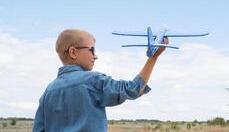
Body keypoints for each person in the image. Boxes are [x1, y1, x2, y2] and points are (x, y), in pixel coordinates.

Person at [33, 29, 168, 132]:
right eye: (92, 50)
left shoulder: (47, 93)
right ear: (73, 52)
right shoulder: (92, 81)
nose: (95, 56)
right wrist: (153, 57)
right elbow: (132, 89)